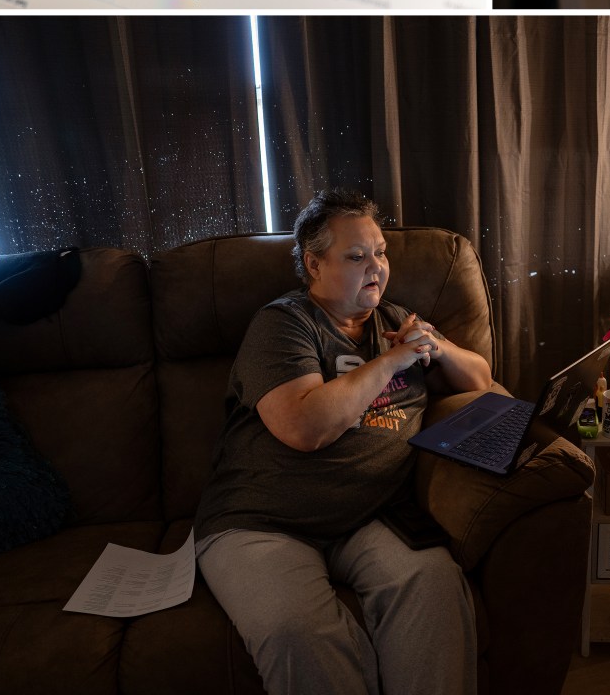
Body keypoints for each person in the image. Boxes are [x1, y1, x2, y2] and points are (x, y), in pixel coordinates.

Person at [194, 188, 493, 694]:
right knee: (297, 631)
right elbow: (304, 428)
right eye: (356, 256)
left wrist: (435, 347)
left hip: (373, 515)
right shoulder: (284, 324)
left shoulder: (397, 320)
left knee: (435, 588)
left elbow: (480, 378)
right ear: (313, 264)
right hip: (261, 521)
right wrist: (391, 362)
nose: (375, 266)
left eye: (380, 252)